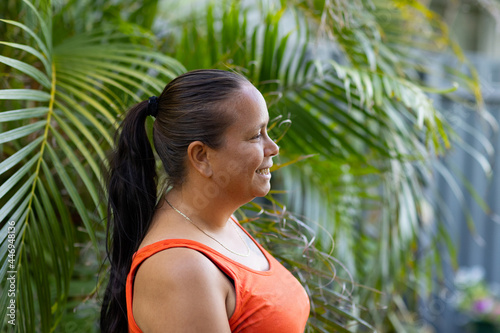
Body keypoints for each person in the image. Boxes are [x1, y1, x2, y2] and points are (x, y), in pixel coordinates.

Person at [100, 69, 310, 333]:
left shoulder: (215, 220)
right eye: (256, 135)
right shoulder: (180, 270)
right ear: (201, 156)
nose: (273, 148)